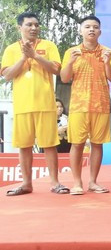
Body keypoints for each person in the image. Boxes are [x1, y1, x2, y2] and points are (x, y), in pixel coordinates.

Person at [2, 12, 67, 196]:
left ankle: (55, 183)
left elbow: (56, 69)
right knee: (24, 145)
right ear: (19, 27)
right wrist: (24, 58)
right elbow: (7, 75)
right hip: (23, 105)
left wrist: (35, 56)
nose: (33, 28)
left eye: (36, 25)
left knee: (49, 144)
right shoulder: (11, 49)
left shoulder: (48, 46)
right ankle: (26, 183)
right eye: (29, 25)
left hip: (46, 103)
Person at [60, 15, 111, 194]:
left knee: (98, 144)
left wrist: (108, 63)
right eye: (88, 26)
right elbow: (64, 78)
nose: (91, 29)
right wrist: (70, 62)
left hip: (102, 104)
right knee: (77, 144)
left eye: (95, 27)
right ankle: (76, 183)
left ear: (100, 31)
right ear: (80, 30)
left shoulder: (107, 52)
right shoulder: (72, 52)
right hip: (78, 105)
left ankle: (93, 182)